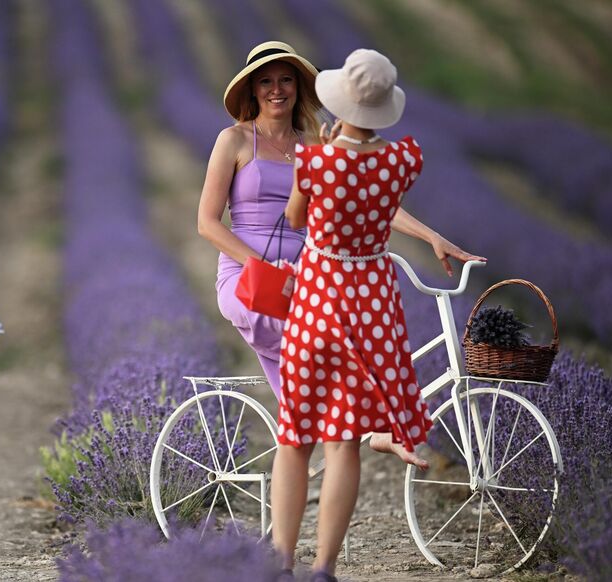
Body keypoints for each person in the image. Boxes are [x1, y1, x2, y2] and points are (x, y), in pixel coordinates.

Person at [269, 50, 485, 581]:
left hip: (319, 300)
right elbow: (382, 211)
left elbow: (296, 219)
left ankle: (279, 563)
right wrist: (431, 234)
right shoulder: (401, 160)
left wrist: (319, 162)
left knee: (295, 436)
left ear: (340, 102)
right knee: (344, 442)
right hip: (371, 303)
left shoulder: (314, 161)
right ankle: (324, 567)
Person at [198, 41, 321, 395]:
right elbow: (206, 223)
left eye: (286, 80)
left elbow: (356, 205)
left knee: (347, 335)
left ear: (297, 87)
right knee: (314, 344)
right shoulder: (234, 140)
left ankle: (317, 431)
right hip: (246, 276)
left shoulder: (313, 146)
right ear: (253, 89)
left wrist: (430, 236)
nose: (276, 90)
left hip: (300, 276)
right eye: (266, 81)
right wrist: (268, 271)